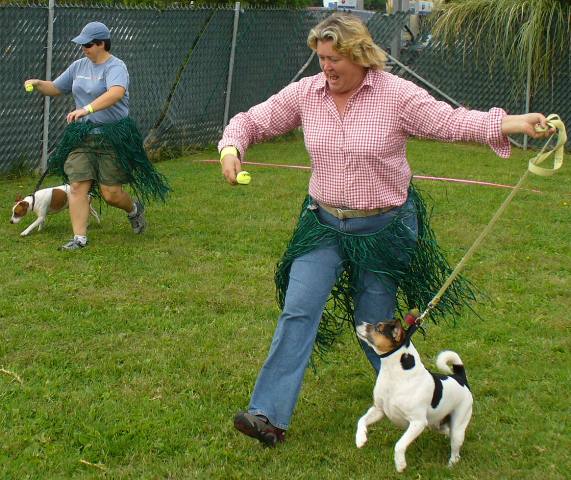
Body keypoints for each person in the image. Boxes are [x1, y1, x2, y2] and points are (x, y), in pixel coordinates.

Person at [218, 13, 553, 447]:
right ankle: (268, 415)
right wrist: (231, 144)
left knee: (373, 323)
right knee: (298, 311)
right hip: (321, 223)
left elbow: (450, 122)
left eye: (335, 58)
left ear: (360, 55)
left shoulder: (395, 95)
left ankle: (421, 402)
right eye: (321, 58)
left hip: (382, 228)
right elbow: (254, 119)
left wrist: (511, 123)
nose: (326, 68)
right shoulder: (307, 93)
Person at [25, 21, 169, 251]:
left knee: (111, 193)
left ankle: (134, 209)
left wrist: (87, 109)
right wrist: (38, 83)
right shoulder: (78, 66)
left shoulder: (116, 67)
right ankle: (79, 239)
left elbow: (116, 92)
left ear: (102, 44)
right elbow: (55, 87)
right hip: (83, 135)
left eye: (88, 44)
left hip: (112, 137)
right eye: (82, 44)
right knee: (77, 186)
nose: (84, 48)